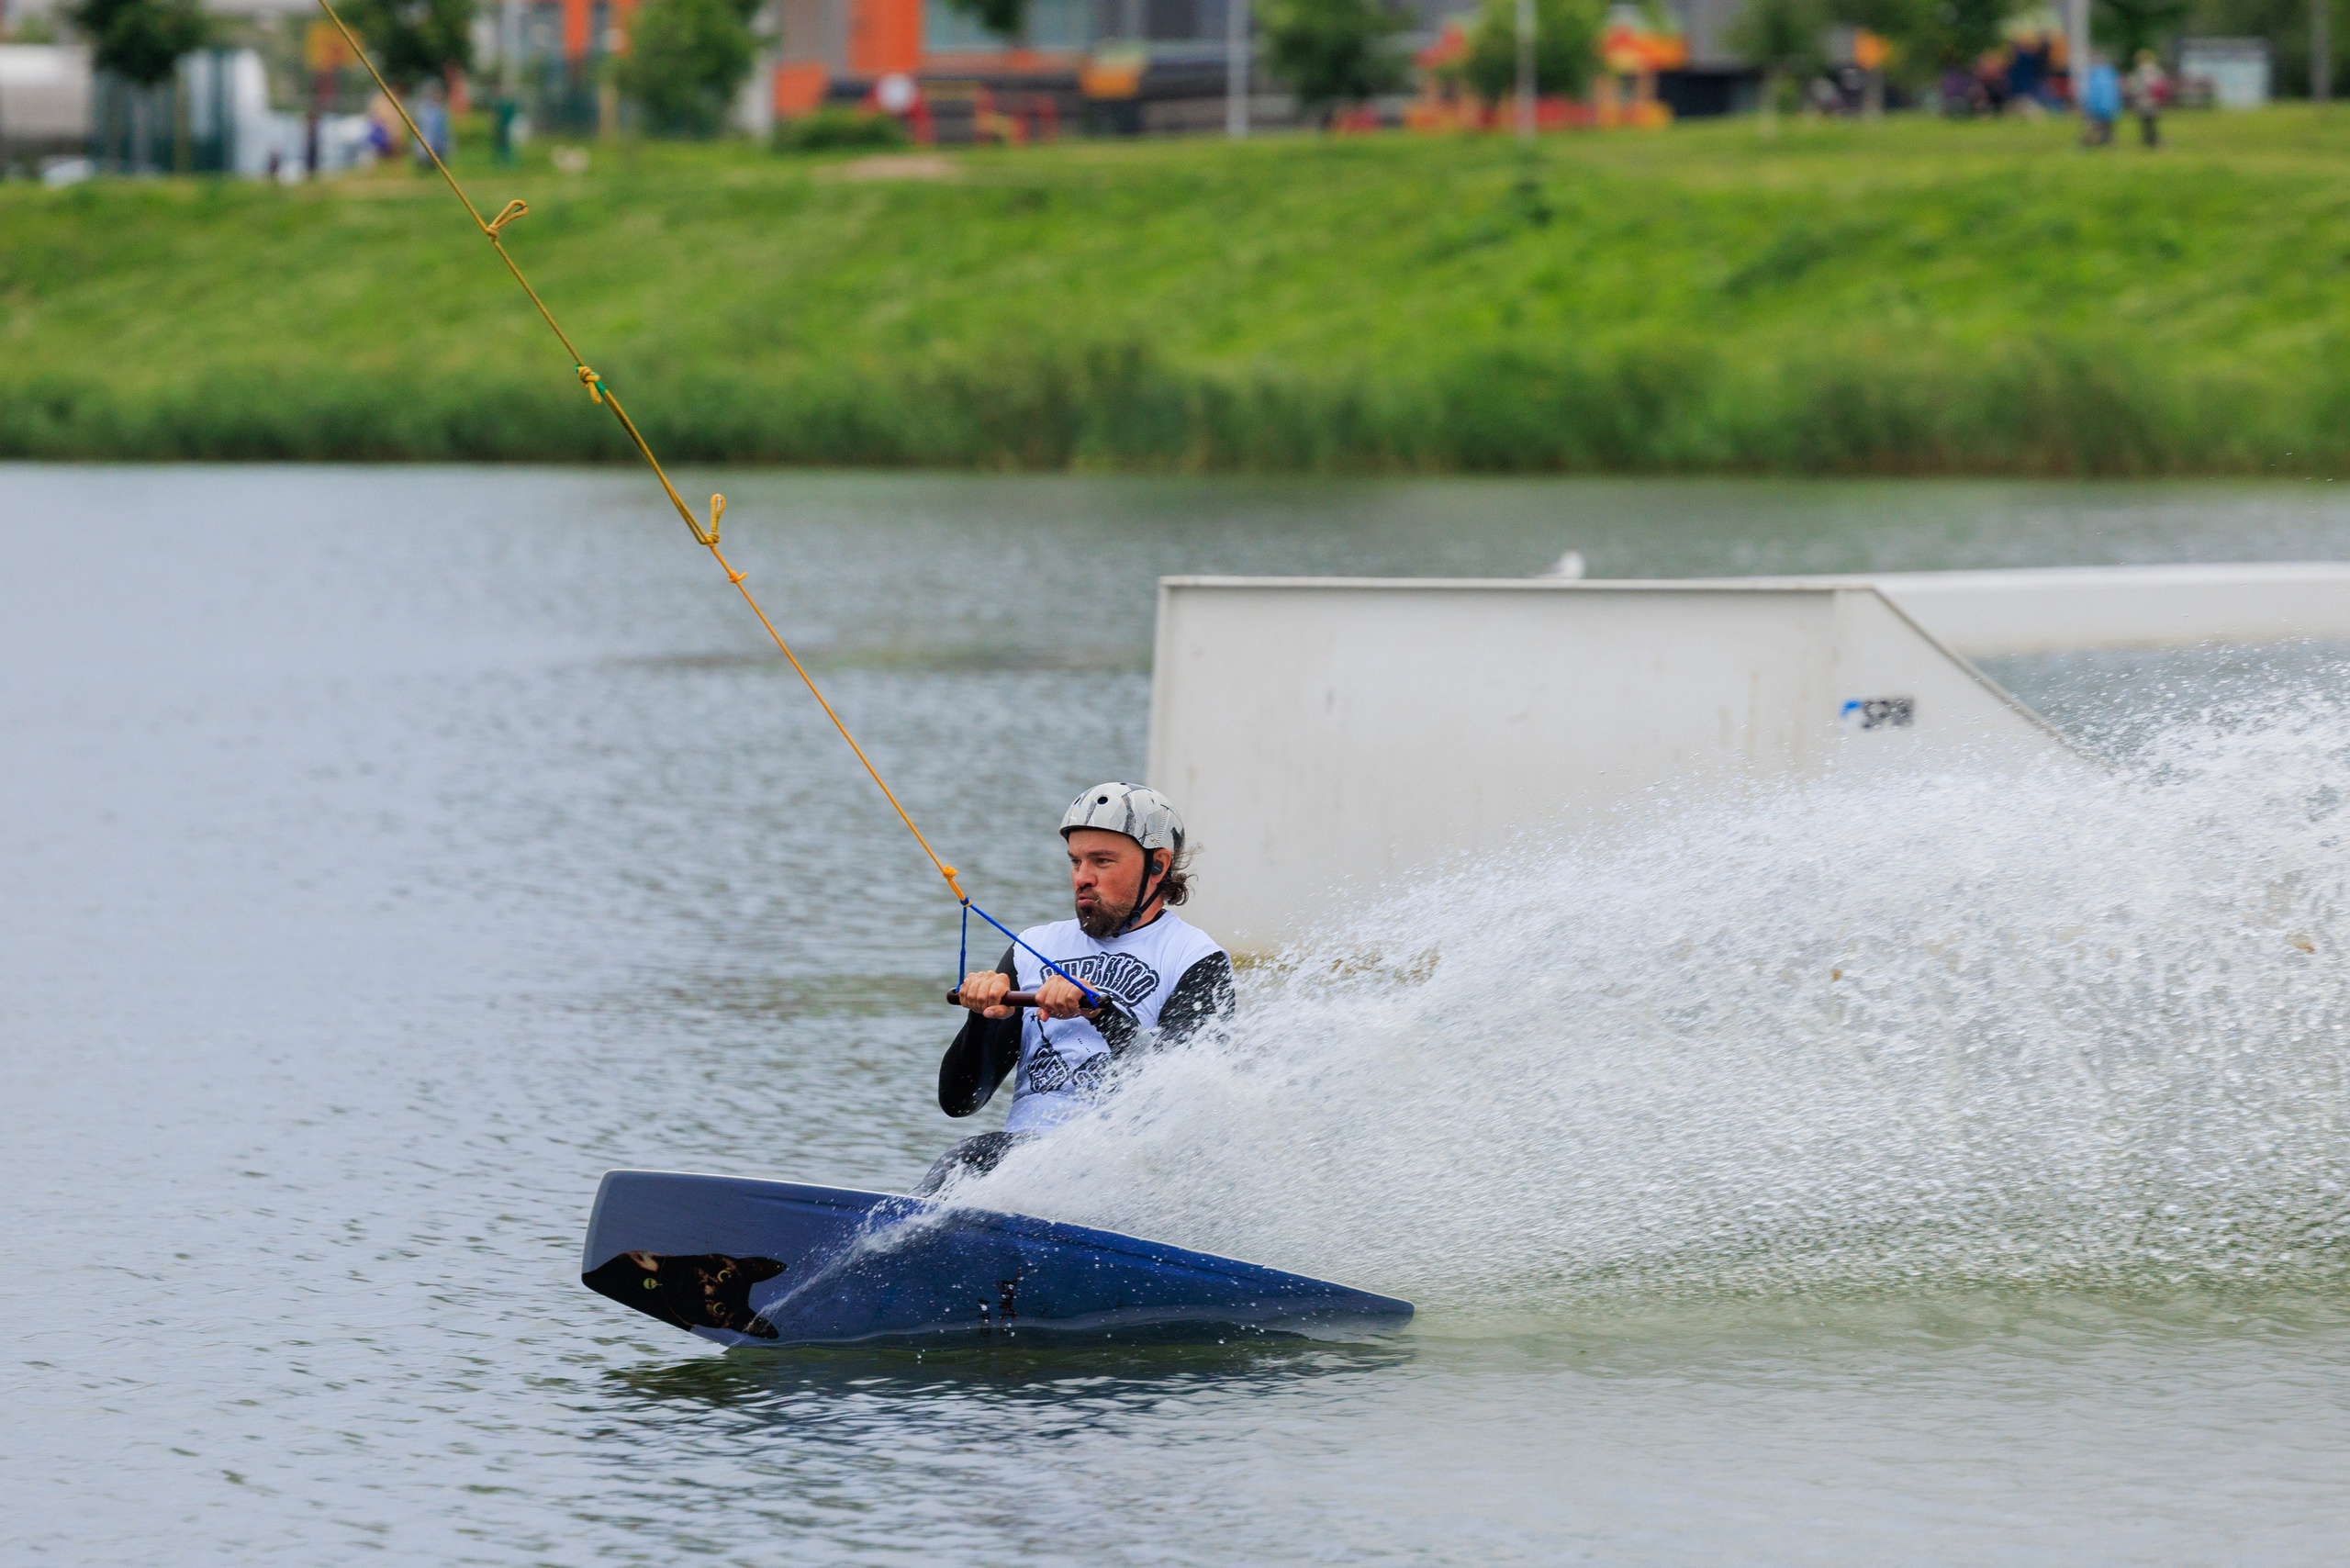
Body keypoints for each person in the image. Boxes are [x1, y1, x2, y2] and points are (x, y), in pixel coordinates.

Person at [919, 783, 1235, 1194]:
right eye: (1075, 861)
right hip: (1021, 1165)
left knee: (969, 1158)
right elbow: (960, 1103)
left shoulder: (1196, 958)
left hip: (1126, 1173)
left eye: (1102, 861)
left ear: (1157, 866)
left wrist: (1101, 1015)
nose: (1082, 878)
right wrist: (982, 1019)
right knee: (967, 1159)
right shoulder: (1032, 948)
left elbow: (1181, 1095)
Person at [2127, 49, 2168, 148]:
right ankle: (2153, 141)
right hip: (2155, 101)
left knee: (2145, 122)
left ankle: (2148, 141)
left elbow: (2134, 86)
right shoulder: (2156, 71)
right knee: (2152, 122)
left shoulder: (2138, 72)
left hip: (2143, 100)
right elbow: (2162, 84)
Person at [2081, 56, 2120, 146]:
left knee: (2094, 125)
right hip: (2110, 106)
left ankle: (2089, 142)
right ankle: (2106, 142)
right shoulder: (2111, 74)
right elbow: (2116, 92)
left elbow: (2094, 94)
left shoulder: (2095, 76)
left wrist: (2089, 106)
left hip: (2098, 107)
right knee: (2107, 126)